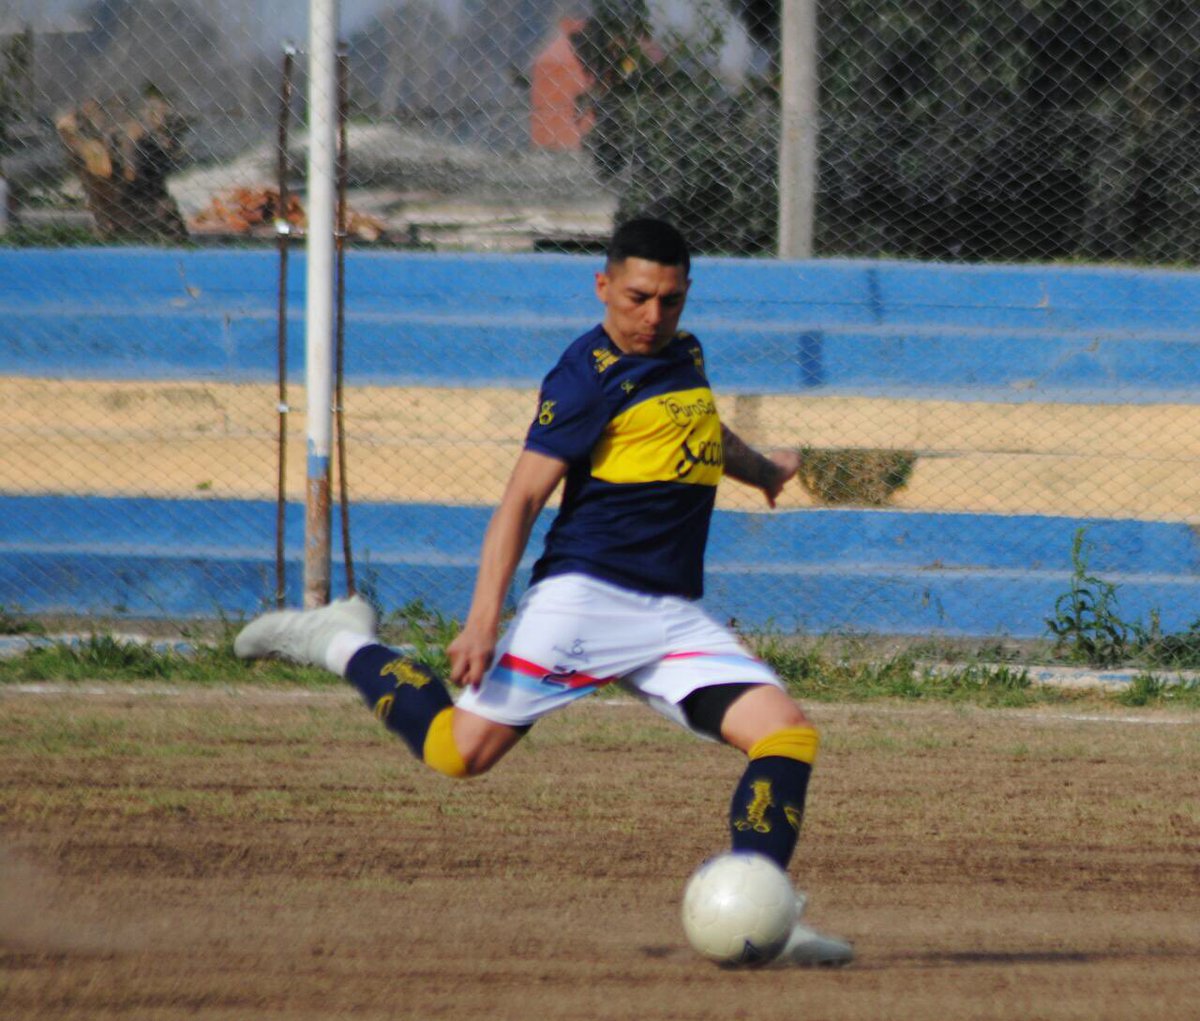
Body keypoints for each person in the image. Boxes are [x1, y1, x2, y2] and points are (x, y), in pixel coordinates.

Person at [234, 218, 852, 967]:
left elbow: (705, 434)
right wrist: (481, 621)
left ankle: (768, 916)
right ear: (602, 286)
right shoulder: (583, 377)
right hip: (584, 601)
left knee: (785, 735)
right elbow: (520, 500)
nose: (653, 316)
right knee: (457, 753)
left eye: (671, 300)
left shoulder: (682, 354)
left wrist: (763, 472)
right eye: (638, 297)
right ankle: (338, 636)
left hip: (668, 613)